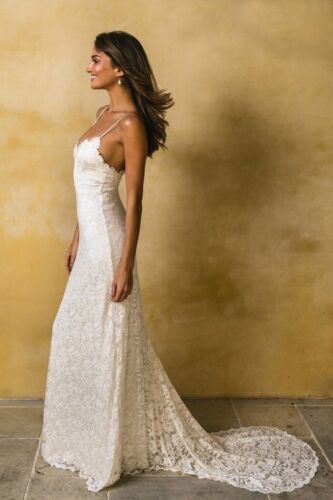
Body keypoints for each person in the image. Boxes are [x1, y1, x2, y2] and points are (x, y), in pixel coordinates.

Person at [40, 30, 319, 494]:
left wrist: (125, 264)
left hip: (111, 245)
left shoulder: (130, 125)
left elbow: (134, 201)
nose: (88, 67)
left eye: (95, 60)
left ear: (119, 67)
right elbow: (90, 188)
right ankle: (85, 436)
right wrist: (75, 236)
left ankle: (106, 448)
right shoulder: (101, 115)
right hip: (89, 241)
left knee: (108, 336)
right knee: (76, 332)